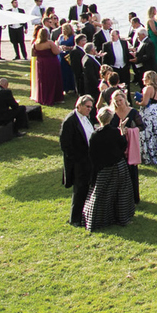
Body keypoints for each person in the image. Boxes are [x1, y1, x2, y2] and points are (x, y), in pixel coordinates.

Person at [84, 106, 136, 231]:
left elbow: (92, 154)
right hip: (118, 166)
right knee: (122, 193)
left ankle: (95, 220)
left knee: (101, 194)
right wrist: (122, 131)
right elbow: (123, 145)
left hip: (103, 169)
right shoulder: (114, 132)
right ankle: (123, 218)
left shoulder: (95, 135)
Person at [59, 94, 96, 228]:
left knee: (86, 189)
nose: (89, 109)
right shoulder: (70, 121)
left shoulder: (86, 118)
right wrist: (78, 160)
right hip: (79, 162)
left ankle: (85, 214)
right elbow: (65, 145)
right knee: (79, 190)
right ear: (78, 106)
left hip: (88, 160)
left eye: (90, 107)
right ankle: (74, 218)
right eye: (87, 107)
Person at [111, 89, 144, 204]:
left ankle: (134, 197)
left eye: (120, 100)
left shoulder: (133, 112)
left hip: (130, 144)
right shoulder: (112, 113)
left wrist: (129, 131)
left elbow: (142, 126)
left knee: (131, 170)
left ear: (125, 99)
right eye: (116, 101)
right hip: (116, 144)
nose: (119, 103)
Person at [30, 26, 63, 107]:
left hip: (40, 63)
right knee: (52, 79)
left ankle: (42, 97)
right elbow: (56, 52)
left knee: (42, 80)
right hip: (50, 63)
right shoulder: (49, 43)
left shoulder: (35, 44)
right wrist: (59, 48)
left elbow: (33, 54)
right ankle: (55, 97)